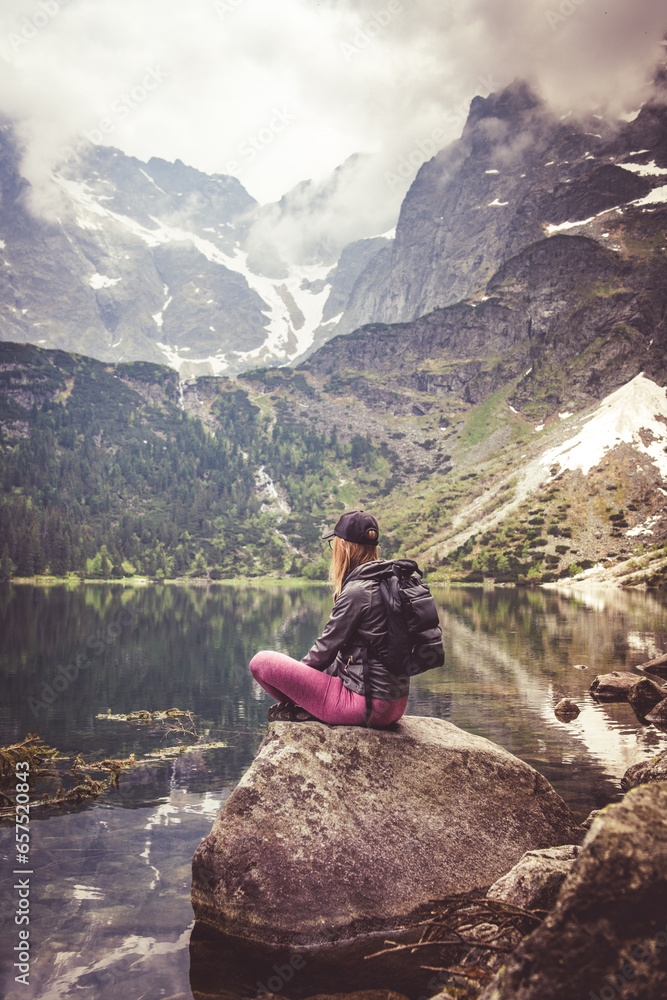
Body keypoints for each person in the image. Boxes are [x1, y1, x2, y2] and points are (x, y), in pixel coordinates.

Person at [249, 510, 410, 728]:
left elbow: (323, 652)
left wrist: (299, 682)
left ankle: (310, 709)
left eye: (333, 544)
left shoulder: (358, 591)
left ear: (342, 546)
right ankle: (312, 707)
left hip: (366, 706)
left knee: (261, 663)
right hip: (394, 705)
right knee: (327, 667)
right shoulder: (388, 582)